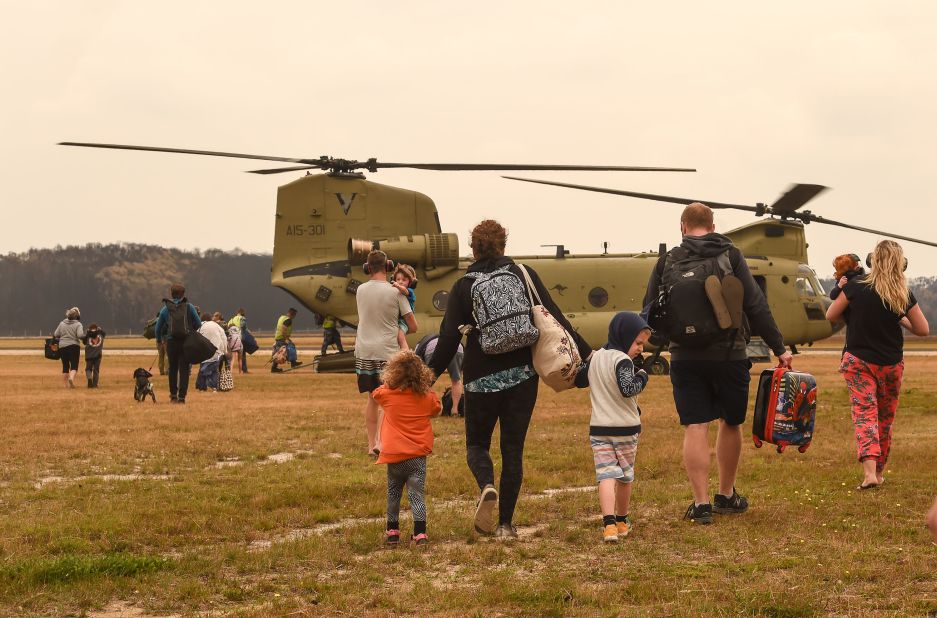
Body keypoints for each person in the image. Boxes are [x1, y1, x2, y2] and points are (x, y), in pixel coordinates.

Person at [429, 219, 592, 540]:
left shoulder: (464, 285)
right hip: (522, 376)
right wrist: (587, 354)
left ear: (472, 247)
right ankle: (505, 525)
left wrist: (428, 376)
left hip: (480, 378)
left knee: (477, 444)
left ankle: (486, 485)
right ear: (504, 244)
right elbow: (555, 315)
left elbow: (448, 338)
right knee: (513, 451)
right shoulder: (523, 274)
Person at [643, 202, 792, 525]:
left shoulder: (667, 261)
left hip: (684, 357)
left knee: (695, 425)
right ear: (712, 226)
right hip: (729, 354)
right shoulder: (730, 255)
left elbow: (650, 310)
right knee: (730, 422)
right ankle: (726, 494)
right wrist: (779, 347)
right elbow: (755, 304)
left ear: (682, 226)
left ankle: (701, 504)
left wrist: (653, 343)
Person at [826, 240, 928, 489]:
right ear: (899, 264)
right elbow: (923, 329)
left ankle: (870, 473)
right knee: (885, 418)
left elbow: (830, 314)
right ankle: (879, 473)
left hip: (858, 362)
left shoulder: (856, 287)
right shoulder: (901, 294)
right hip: (891, 364)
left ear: (873, 261)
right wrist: (900, 317)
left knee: (865, 414)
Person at [574, 312, 651, 543]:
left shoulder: (597, 357)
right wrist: (643, 376)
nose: (640, 348)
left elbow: (581, 379)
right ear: (625, 336)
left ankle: (608, 525)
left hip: (599, 428)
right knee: (625, 477)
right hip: (625, 429)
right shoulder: (623, 361)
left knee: (606, 475)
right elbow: (628, 388)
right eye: (637, 343)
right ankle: (621, 520)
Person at [373, 351, 442, 547]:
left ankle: (392, 531)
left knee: (393, 493)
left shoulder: (387, 396)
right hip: (417, 456)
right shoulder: (427, 398)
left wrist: (390, 384)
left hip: (394, 455)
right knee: (416, 495)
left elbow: (376, 393)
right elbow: (437, 408)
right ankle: (420, 534)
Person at [355, 250, 418, 456]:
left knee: (372, 399)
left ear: (368, 268)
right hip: (387, 352)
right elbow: (413, 325)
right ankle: (381, 443)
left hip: (364, 351)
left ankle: (370, 443)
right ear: (388, 266)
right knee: (388, 399)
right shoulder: (396, 292)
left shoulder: (360, 290)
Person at [155, 284, 202, 404]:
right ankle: (182, 397)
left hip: (171, 342)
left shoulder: (165, 309)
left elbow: (158, 328)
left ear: (171, 294)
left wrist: (160, 340)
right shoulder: (189, 307)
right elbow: (198, 323)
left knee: (172, 369)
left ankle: (173, 395)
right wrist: (191, 331)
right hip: (186, 342)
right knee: (184, 369)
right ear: (183, 294)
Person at [414, 333, 464, 417]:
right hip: (457, 346)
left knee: (426, 381)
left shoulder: (419, 347)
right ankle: (454, 410)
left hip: (433, 348)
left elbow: (417, 366)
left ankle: (425, 408)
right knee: (456, 380)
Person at [195, 312, 228, 391]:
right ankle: (214, 387)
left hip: (204, 352)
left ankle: (202, 387)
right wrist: (224, 351)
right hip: (217, 351)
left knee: (203, 369)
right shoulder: (217, 326)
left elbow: (196, 338)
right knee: (214, 370)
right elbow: (223, 338)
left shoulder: (200, 326)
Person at [53, 307, 84, 388]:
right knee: (74, 366)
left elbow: (56, 334)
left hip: (62, 346)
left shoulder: (62, 323)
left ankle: (65, 385)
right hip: (74, 346)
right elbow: (80, 335)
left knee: (65, 366)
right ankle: (71, 378)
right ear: (77, 316)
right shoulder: (78, 324)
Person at [391, 264, 418, 351]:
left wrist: (397, 286)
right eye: (398, 279)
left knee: (400, 336)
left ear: (410, 282)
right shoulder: (396, 291)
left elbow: (405, 291)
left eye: (404, 280)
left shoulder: (409, 291)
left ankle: (406, 354)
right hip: (397, 318)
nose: (400, 281)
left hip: (404, 320)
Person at [272, 308, 301, 373]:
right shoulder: (288, 320)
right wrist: (286, 339)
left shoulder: (282, 317)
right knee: (290, 348)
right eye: (295, 315)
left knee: (278, 353)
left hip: (278, 337)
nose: (294, 317)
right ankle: (293, 363)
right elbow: (283, 329)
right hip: (282, 338)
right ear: (292, 315)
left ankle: (274, 368)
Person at [82, 323, 106, 388]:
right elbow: (104, 334)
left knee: (88, 369)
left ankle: (89, 379)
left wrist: (87, 333)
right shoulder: (100, 334)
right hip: (98, 356)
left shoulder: (88, 335)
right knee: (96, 370)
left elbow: (84, 342)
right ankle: (95, 385)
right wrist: (100, 330)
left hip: (89, 356)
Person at [228, 308, 250, 373]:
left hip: (231, 339)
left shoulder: (231, 319)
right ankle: (243, 370)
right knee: (241, 356)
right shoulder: (242, 318)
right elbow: (243, 327)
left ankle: (231, 371)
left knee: (232, 358)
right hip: (239, 339)